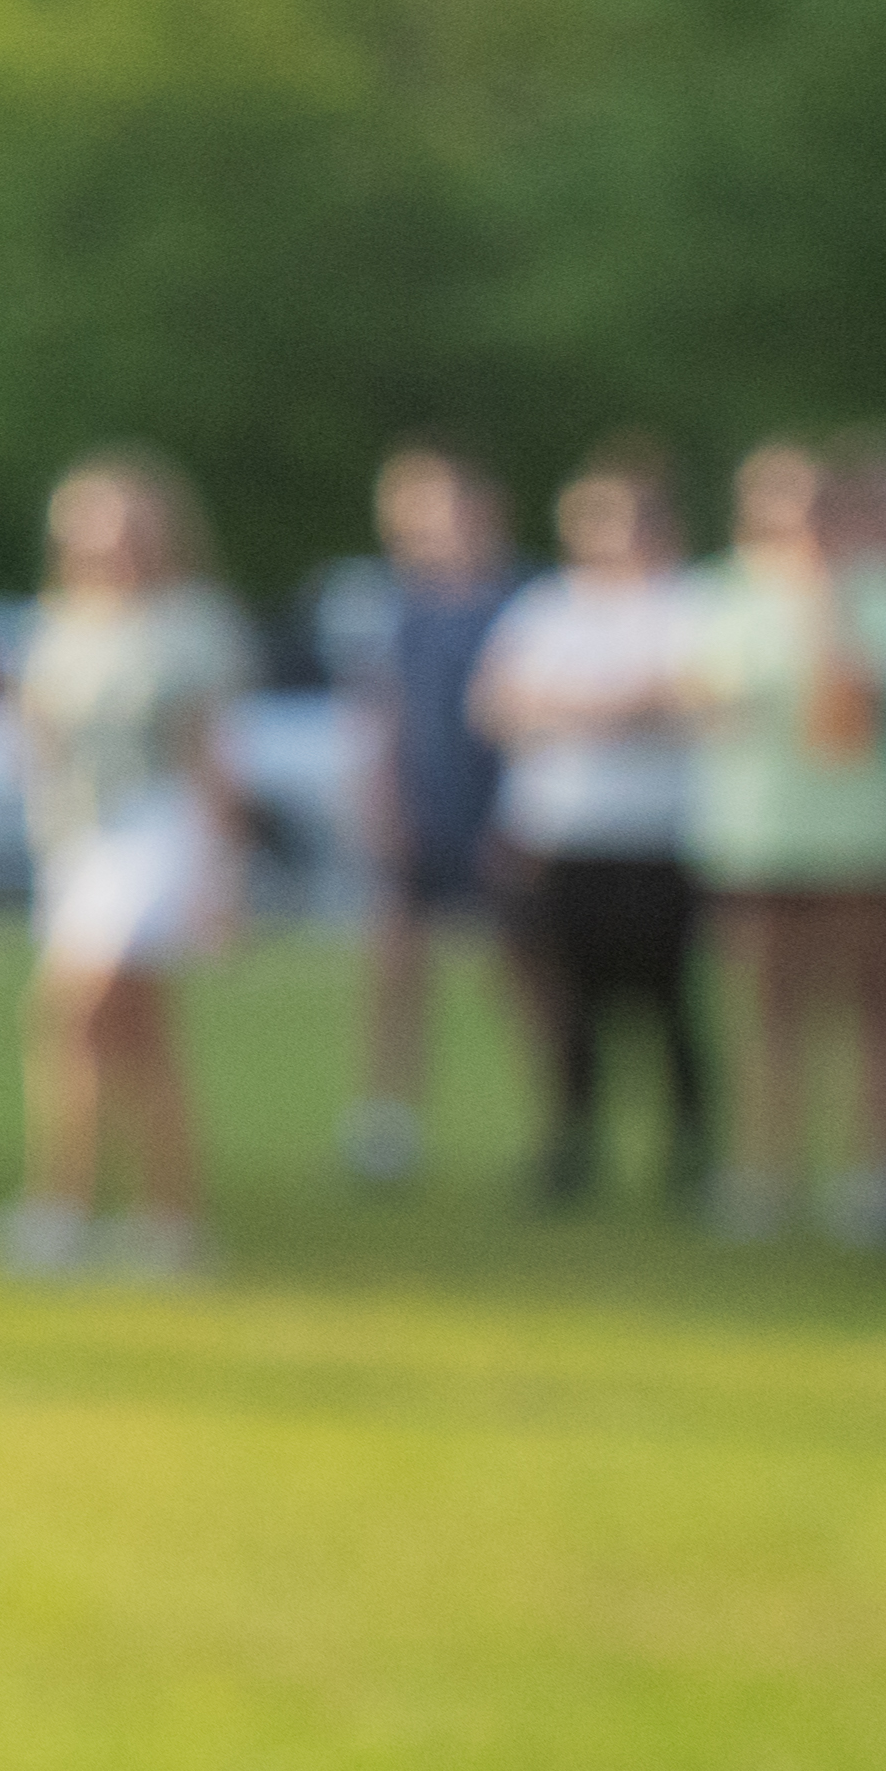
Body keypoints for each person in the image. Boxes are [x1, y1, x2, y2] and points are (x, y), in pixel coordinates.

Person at [0, 451, 254, 1278]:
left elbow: (210, 758)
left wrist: (222, 873)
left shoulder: (190, 625)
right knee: (132, 1032)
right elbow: (37, 739)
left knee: (72, 1010)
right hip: (83, 835)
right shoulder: (61, 624)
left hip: (160, 830)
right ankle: (157, 1215)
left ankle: (71, 1205)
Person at [477, 438, 715, 1208]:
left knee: (666, 1000)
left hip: (659, 834)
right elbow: (497, 702)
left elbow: (682, 697)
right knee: (567, 1001)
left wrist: (576, 706)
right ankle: (572, 1142)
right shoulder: (546, 606)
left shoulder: (689, 601)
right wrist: (609, 706)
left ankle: (690, 1146)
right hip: (562, 833)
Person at [677, 440, 886, 1245]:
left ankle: (876, 1177)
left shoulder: (882, 593)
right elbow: (705, 695)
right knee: (767, 1015)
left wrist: (833, 606)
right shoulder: (729, 594)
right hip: (764, 839)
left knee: (882, 1017)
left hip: (871, 844)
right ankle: (763, 1173)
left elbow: (864, 698)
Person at [326, 443, 532, 1189]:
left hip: (499, 809)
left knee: (523, 972)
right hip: (420, 807)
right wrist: (379, 804)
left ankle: (552, 1121)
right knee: (396, 971)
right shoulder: (388, 606)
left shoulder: (521, 600)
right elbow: (377, 716)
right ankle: (387, 1124)